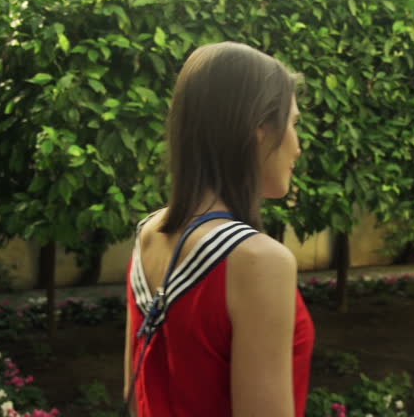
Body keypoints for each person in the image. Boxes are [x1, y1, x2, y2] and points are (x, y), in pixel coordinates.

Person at [123, 42, 315, 416]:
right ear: (259, 128)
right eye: (292, 124)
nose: (298, 147)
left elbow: (133, 396)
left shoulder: (148, 233)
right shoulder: (259, 261)